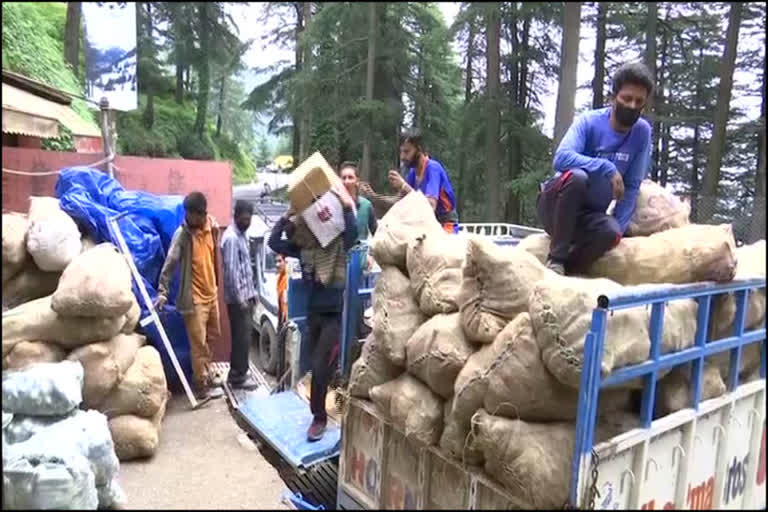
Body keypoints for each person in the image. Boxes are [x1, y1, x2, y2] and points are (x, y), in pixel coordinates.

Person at [539, 62, 654, 276]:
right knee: (578, 177)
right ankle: (556, 259)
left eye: (638, 101)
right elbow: (561, 158)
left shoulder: (642, 133)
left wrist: (617, 233)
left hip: (590, 216)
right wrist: (606, 167)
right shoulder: (589, 122)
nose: (631, 106)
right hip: (556, 208)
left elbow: (631, 186)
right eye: (626, 98)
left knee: (611, 231)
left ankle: (570, 271)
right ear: (613, 98)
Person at [268, 183, 358, 442]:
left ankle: (319, 419)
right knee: (314, 366)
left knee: (320, 368)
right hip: (313, 316)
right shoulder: (304, 250)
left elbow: (352, 233)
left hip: (332, 318)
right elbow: (275, 242)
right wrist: (287, 215)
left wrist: (345, 205)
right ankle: (319, 411)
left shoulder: (337, 245)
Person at [156, 192, 224, 400]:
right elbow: (170, 263)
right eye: (194, 215)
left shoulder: (210, 227)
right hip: (194, 301)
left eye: (201, 215)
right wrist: (163, 291)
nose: (198, 219)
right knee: (198, 344)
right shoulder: (182, 235)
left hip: (211, 294)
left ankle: (207, 371)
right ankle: (201, 384)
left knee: (212, 336)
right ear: (188, 214)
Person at [383, 130, 460, 234]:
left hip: (445, 225)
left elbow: (430, 206)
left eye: (406, 152)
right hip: (424, 226)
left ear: (419, 150)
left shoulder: (433, 168)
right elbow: (398, 200)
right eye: (401, 152)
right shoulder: (412, 172)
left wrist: (404, 185)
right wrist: (372, 196)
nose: (402, 157)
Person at [220, 200, 260, 390]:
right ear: (236, 216)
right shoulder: (231, 238)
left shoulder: (242, 235)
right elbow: (231, 273)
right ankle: (237, 377)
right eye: (245, 218)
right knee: (240, 338)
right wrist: (240, 300)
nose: (248, 221)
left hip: (246, 297)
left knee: (245, 338)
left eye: (249, 218)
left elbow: (246, 269)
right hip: (238, 301)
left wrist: (252, 293)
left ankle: (240, 372)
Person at [339, 162, 377, 242]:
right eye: (344, 178)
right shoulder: (334, 205)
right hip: (339, 253)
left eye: (350, 177)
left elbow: (376, 233)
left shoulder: (366, 205)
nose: (347, 181)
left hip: (360, 252)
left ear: (357, 181)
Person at [276, 253, 288, 328]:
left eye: (280, 261)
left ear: (286, 262)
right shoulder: (279, 278)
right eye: (276, 261)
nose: (277, 264)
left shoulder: (288, 279)